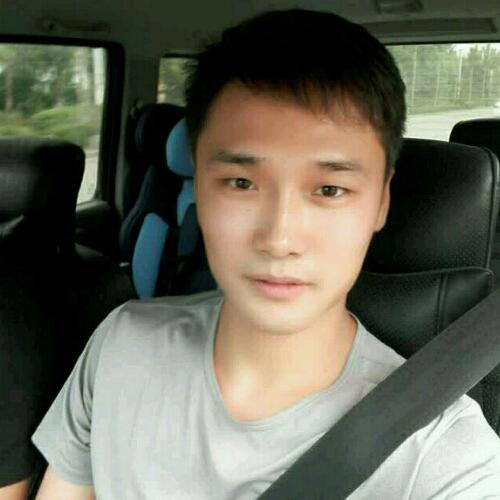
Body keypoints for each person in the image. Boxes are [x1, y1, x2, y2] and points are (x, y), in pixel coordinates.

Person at [31, 9, 500, 499]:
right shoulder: (121, 344)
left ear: (381, 202)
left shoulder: (444, 455)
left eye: (330, 189)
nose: (279, 238)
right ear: (198, 188)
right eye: (241, 182)